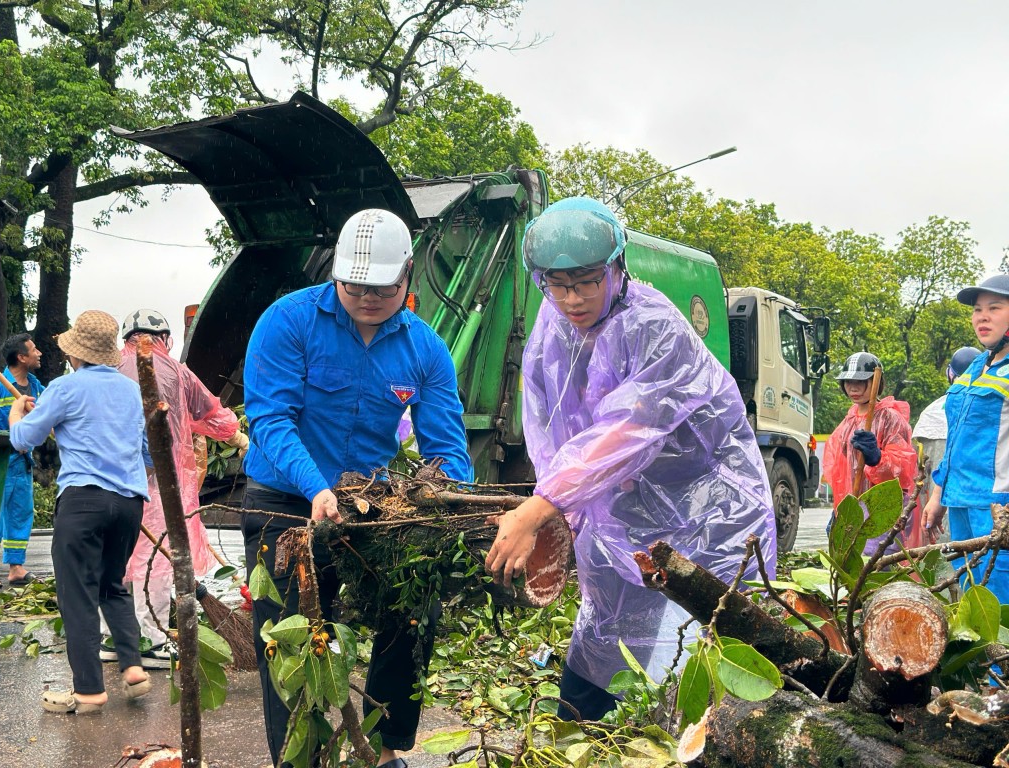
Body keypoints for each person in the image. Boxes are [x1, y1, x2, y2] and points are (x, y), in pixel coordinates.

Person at [483, 197, 777, 722]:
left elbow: (631, 428)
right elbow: (548, 425)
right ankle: (584, 738)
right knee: (604, 631)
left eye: (586, 281)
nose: (572, 297)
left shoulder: (654, 325)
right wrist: (564, 510)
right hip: (618, 507)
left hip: (706, 510)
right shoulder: (552, 327)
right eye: (557, 283)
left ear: (617, 267)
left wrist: (541, 505)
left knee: (706, 651)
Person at [242, 208, 473, 768]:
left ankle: (387, 752)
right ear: (337, 273)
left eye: (383, 288)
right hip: (286, 500)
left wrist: (456, 507)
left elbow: (447, 446)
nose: (367, 298)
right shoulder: (287, 321)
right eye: (355, 286)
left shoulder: (425, 349)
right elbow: (271, 419)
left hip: (372, 506)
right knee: (291, 642)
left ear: (409, 275)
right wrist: (317, 489)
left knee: (414, 607)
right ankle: (300, 759)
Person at [6, 311, 152, 713]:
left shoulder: (64, 387)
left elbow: (24, 440)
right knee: (112, 585)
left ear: (76, 353)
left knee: (79, 595)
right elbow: (145, 454)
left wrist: (20, 412)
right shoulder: (130, 391)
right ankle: (133, 666)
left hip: (82, 501)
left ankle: (89, 692)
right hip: (128, 504)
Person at [105, 309, 248, 668]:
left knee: (117, 555)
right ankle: (149, 641)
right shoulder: (177, 372)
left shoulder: (108, 372)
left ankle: (112, 636)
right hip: (159, 482)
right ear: (165, 338)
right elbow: (211, 412)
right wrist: (238, 435)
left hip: (111, 481)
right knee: (155, 560)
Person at [924, 275, 1009, 602]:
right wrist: (937, 496)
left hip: (997, 504)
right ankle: (979, 656)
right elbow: (955, 438)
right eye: (977, 309)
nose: (982, 316)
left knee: (998, 597)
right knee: (970, 594)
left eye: (994, 307)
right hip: (959, 500)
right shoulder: (975, 366)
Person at [821, 353, 918, 553]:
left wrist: (877, 459)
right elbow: (839, 468)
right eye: (848, 382)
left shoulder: (890, 418)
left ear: (875, 382)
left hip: (881, 505)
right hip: (855, 502)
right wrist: (841, 507)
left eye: (860, 381)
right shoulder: (850, 419)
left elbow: (904, 467)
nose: (853, 388)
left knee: (876, 562)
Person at [0, 333, 45, 588]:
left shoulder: (35, 385)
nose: (39, 353)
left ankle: (16, 568)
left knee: (21, 513)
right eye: (34, 349)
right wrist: (10, 438)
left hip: (24, 462)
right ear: (21, 357)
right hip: (0, 463)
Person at [911, 346, 982, 545]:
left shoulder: (930, 413)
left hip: (935, 504)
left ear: (950, 373)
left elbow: (919, 471)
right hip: (976, 501)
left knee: (943, 558)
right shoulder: (988, 405)